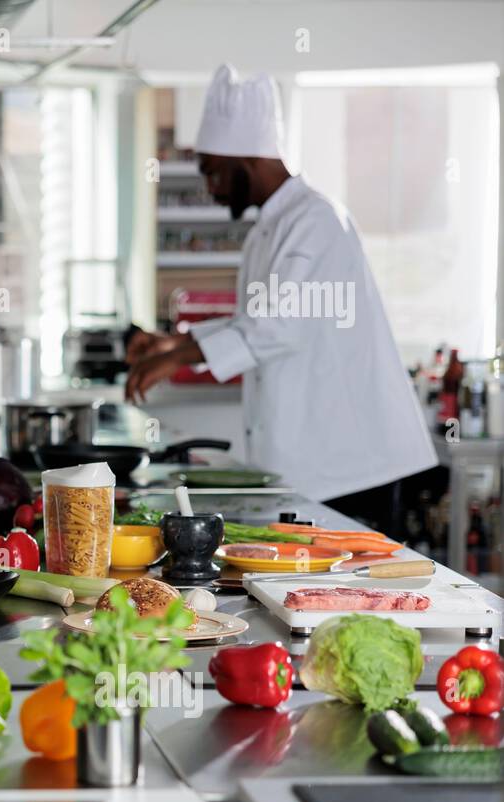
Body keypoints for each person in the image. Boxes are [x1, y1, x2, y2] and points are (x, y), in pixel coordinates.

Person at [125, 64, 435, 529]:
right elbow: (256, 318)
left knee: (349, 596)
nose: (210, 189)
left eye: (213, 172)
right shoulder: (267, 230)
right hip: (316, 465)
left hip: (353, 466)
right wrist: (175, 344)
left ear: (245, 160)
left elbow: (279, 324)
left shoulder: (317, 220)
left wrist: (179, 358)